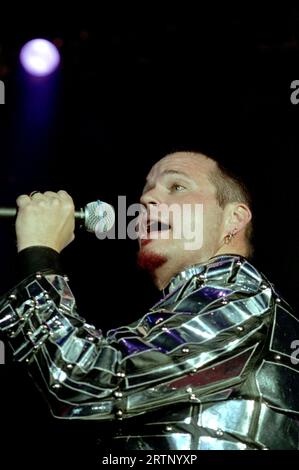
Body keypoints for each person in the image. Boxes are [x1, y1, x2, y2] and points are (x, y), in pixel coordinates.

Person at [0, 151, 298, 451]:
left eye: (177, 187)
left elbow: (85, 378)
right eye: (145, 192)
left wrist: (39, 253)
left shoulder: (239, 289)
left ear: (234, 218)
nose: (146, 200)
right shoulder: (183, 310)